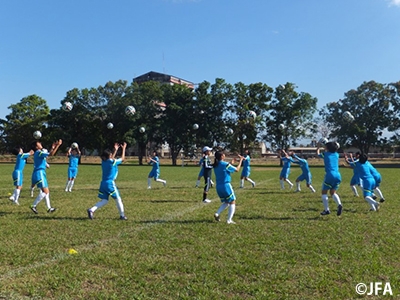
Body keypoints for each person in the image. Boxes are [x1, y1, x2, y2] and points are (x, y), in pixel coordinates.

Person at [87, 142, 128, 220]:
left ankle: (91, 210)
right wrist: (124, 149)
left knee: (105, 200)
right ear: (109, 156)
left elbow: (111, 157)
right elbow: (122, 159)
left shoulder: (104, 162)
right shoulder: (112, 162)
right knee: (118, 199)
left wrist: (115, 150)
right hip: (110, 183)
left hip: (103, 183)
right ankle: (122, 215)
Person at [30, 139, 63, 214]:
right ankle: (33, 205)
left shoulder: (38, 153)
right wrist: (58, 145)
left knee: (46, 192)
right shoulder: (38, 152)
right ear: (36, 147)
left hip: (40, 173)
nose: (40, 143)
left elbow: (49, 154)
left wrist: (53, 147)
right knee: (45, 191)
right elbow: (51, 155)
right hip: (40, 173)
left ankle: (49, 208)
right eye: (38, 143)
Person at [213, 151, 244, 224]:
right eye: (223, 154)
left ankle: (217, 213)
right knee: (232, 201)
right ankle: (229, 220)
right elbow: (237, 170)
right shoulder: (225, 164)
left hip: (218, 186)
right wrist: (241, 161)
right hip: (226, 185)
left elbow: (224, 168)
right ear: (221, 156)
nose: (224, 155)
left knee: (226, 202)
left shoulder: (216, 165)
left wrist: (231, 163)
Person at [317, 141, 343, 216]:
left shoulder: (325, 154)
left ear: (327, 148)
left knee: (324, 193)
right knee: (332, 192)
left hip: (329, 175)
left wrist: (318, 147)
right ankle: (339, 204)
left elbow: (318, 154)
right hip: (338, 175)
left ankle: (326, 210)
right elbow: (333, 149)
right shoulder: (337, 155)